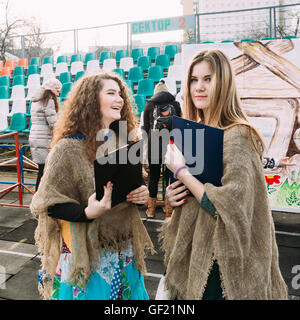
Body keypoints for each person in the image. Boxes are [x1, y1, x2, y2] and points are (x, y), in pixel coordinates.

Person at [160, 49, 288, 300]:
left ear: (224, 82)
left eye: (208, 79)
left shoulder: (239, 135)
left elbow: (229, 206)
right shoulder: (194, 132)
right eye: (194, 80)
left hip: (224, 270)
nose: (199, 87)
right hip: (195, 259)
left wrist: (183, 173)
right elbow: (195, 196)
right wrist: (174, 195)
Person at [30, 72, 154, 300]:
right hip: (87, 260)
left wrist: (140, 194)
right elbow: (48, 204)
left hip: (123, 253)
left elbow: (128, 190)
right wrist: (87, 212)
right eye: (111, 93)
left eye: (120, 94)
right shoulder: (66, 149)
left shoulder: (122, 142)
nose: (120, 99)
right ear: (90, 100)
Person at [143, 79, 182, 218]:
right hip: (171, 145)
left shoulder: (149, 105)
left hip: (154, 145)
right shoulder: (175, 104)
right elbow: (180, 125)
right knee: (168, 177)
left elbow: (146, 128)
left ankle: (151, 210)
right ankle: (168, 210)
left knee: (153, 176)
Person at [29, 78, 62, 191]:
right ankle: (41, 199)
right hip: (44, 138)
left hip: (35, 136)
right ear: (53, 90)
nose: (59, 94)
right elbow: (52, 122)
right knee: (45, 171)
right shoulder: (49, 100)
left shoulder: (36, 100)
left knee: (41, 170)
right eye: (58, 91)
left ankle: (38, 198)